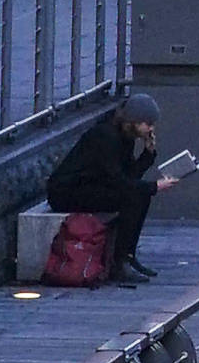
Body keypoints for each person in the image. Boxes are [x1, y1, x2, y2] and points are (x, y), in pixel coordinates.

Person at [42, 96, 165, 287]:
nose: (151, 129)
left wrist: (148, 155)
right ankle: (119, 263)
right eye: (147, 124)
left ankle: (128, 255)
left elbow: (129, 176)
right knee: (133, 198)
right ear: (133, 121)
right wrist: (155, 186)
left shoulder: (126, 137)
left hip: (94, 186)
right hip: (68, 192)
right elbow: (118, 180)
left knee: (140, 195)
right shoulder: (105, 136)